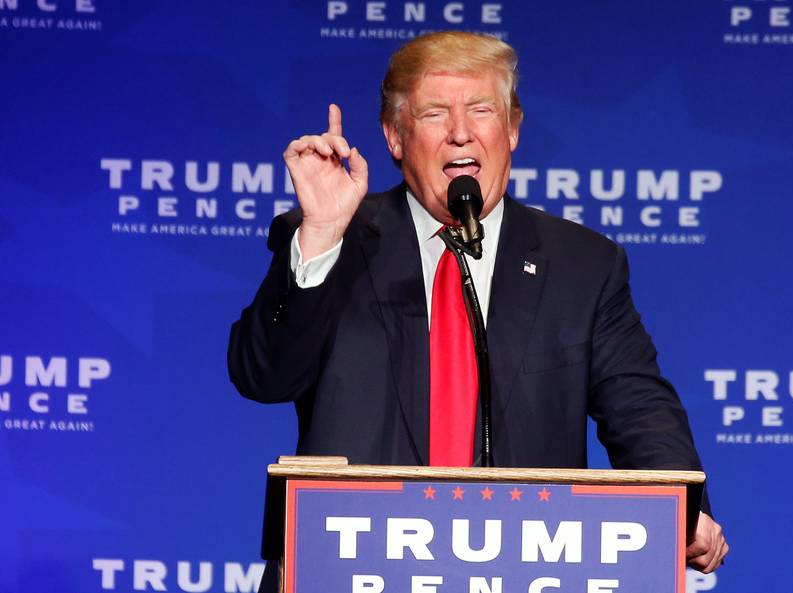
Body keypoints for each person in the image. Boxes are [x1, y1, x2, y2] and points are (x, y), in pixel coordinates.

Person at [227, 31, 728, 589]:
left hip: (524, 570)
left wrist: (680, 506)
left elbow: (638, 406)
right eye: (434, 113)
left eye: (481, 109)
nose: (461, 132)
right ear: (395, 136)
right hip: (353, 569)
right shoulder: (331, 238)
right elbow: (263, 377)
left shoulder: (582, 265)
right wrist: (321, 234)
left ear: (511, 129)